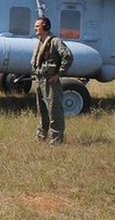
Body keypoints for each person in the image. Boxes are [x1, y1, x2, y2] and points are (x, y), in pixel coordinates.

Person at [31, 16, 73, 145]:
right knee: (42, 110)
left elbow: (67, 56)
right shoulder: (39, 42)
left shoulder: (55, 42)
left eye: (37, 26)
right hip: (40, 80)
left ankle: (56, 140)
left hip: (50, 81)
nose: (35, 28)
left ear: (46, 27)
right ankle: (41, 136)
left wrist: (58, 74)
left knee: (54, 110)